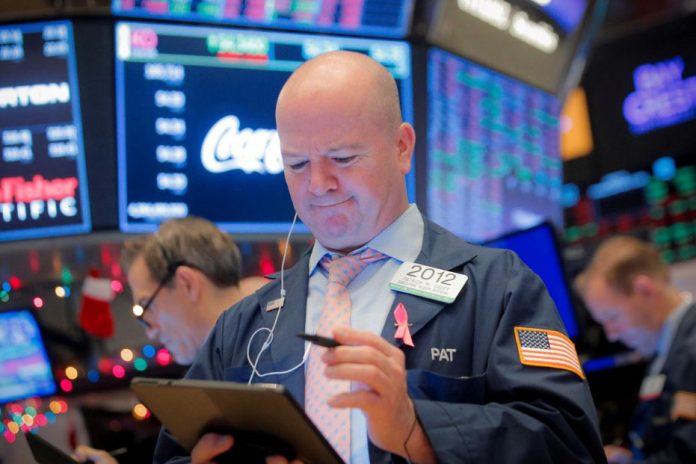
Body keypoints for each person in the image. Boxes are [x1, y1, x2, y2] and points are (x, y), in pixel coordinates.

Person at [154, 51, 606, 463]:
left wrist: (416, 431)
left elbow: (571, 443)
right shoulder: (243, 324)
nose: (318, 184)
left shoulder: (498, 287)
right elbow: (173, 453)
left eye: (343, 157)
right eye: (295, 164)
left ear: (402, 147)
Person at [74, 216, 269, 464]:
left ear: (187, 284)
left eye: (146, 306)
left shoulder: (272, 353)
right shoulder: (221, 367)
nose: (151, 331)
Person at [574, 235, 696, 463]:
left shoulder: (691, 349)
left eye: (613, 317)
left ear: (644, 290)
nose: (612, 334)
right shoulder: (664, 350)